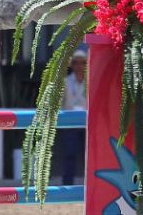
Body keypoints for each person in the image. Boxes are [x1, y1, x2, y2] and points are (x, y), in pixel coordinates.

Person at [61, 49, 87, 185]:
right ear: (72, 64)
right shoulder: (65, 81)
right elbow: (60, 102)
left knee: (87, 156)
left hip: (86, 123)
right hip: (70, 123)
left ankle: (88, 185)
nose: (79, 66)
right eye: (76, 63)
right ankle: (67, 184)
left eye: (82, 63)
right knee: (69, 155)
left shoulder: (90, 81)